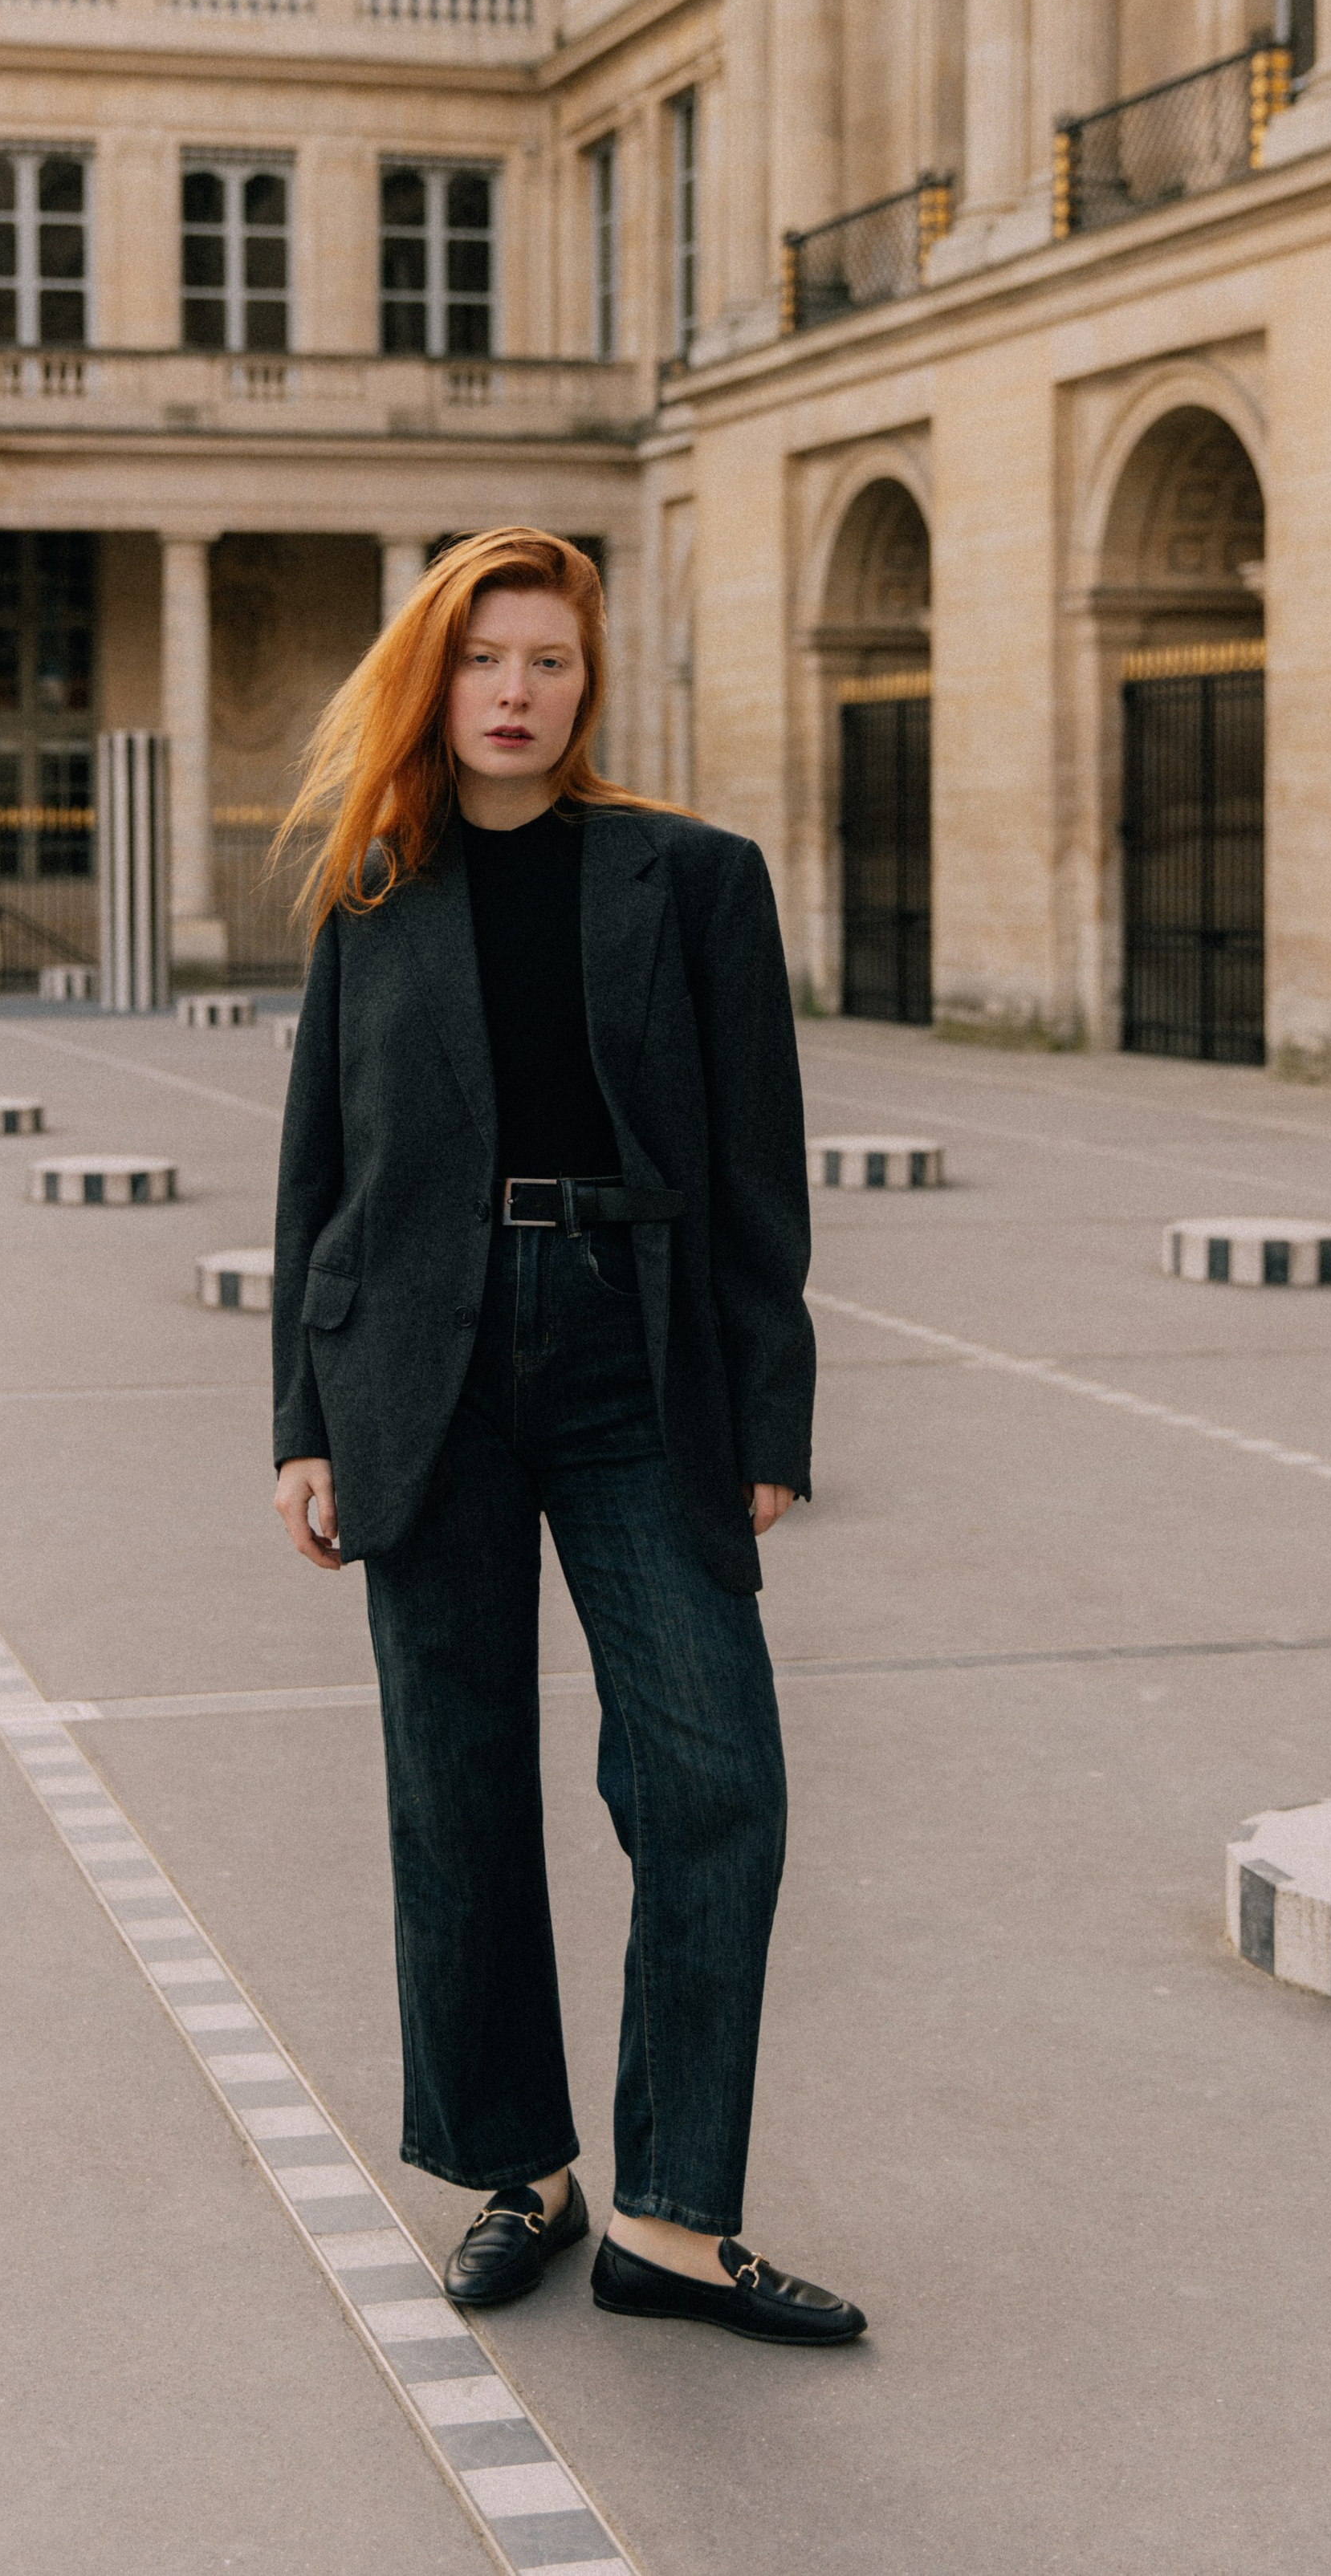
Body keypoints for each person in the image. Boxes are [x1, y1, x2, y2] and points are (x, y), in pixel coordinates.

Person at [270, 527, 863, 2347]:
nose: (515, 689)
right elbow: (321, 1173)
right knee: (451, 1784)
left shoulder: (688, 877)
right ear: (431, 681)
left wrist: (767, 1405)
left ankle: (673, 2220)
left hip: (630, 1348)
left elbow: (758, 1172)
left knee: (708, 1776)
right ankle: (516, 2170)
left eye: (547, 659)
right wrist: (304, 1418)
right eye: (483, 657)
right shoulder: (375, 891)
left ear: (585, 686)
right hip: (421, 1370)